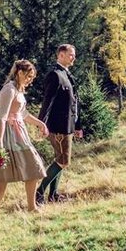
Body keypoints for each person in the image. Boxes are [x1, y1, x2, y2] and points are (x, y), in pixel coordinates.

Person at [0, 59, 48, 218]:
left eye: (32, 77)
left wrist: (40, 124)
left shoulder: (19, 89)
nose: (30, 80)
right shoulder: (8, 90)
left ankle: (31, 207)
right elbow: (2, 118)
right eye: (28, 76)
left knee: (34, 169)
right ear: (19, 72)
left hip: (19, 133)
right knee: (2, 177)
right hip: (6, 134)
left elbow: (23, 114)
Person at [36, 44, 83, 204]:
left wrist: (77, 125)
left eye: (74, 55)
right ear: (61, 55)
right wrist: (41, 124)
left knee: (60, 160)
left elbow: (75, 103)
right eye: (71, 54)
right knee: (63, 161)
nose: (73, 58)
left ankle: (53, 194)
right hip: (57, 126)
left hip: (68, 125)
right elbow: (47, 101)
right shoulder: (54, 75)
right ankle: (39, 192)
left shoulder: (67, 75)